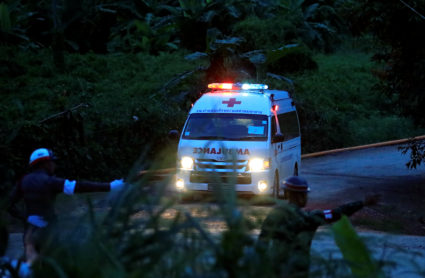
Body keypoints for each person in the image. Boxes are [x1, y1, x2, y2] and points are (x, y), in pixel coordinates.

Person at [8, 148, 125, 264]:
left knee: (31, 264)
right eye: (53, 162)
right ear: (46, 163)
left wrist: (26, 218)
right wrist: (110, 186)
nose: (54, 165)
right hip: (48, 231)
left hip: (31, 231)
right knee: (53, 265)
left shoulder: (23, 181)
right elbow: (79, 186)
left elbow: (9, 204)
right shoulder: (50, 181)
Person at [258, 176, 379, 278]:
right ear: (300, 196)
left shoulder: (274, 214)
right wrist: (362, 203)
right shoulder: (308, 218)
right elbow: (336, 213)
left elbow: (261, 242)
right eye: (305, 195)